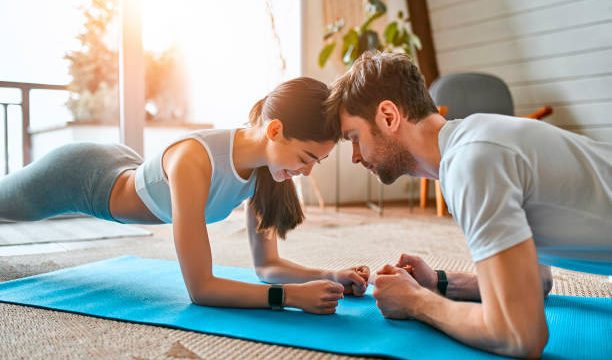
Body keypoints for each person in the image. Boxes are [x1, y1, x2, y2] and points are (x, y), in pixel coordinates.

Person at [0, 77, 370, 314]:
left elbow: (267, 267)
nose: (306, 171)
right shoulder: (194, 160)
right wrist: (287, 297)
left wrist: (330, 275)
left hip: (124, 166)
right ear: (275, 130)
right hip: (80, 176)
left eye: (316, 163)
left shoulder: (267, 173)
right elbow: (201, 288)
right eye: (306, 158)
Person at [325, 51, 612, 357]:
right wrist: (438, 282)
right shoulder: (475, 140)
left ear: (389, 116)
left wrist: (416, 302)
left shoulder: (471, 162)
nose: (355, 155)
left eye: (354, 137)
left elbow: (520, 334)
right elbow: (538, 281)